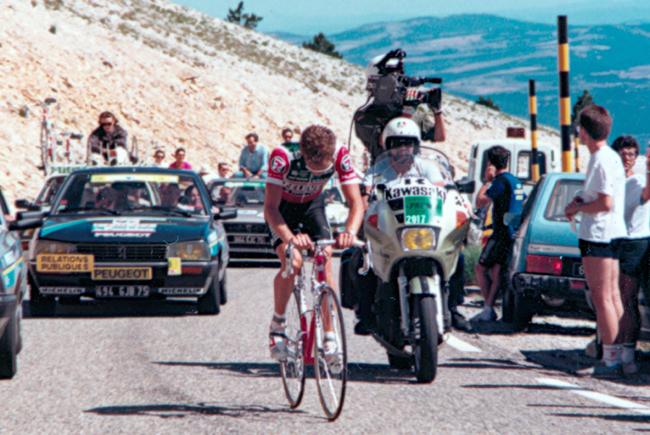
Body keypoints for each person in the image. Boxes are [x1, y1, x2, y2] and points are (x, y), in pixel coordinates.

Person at [264, 125, 364, 372]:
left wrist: (350, 232)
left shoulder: (341, 155)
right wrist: (289, 238)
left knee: (325, 256)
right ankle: (277, 325)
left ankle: (329, 337)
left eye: (323, 168)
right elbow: (270, 208)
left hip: (313, 206)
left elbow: (356, 203)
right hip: (282, 209)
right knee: (294, 261)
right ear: (303, 152)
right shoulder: (283, 156)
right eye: (311, 165)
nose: (317, 170)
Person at [565, 105, 626, 378]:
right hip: (614, 232)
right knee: (612, 296)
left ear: (584, 131)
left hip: (598, 234)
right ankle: (621, 354)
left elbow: (605, 202)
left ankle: (610, 360)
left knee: (602, 298)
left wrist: (579, 209)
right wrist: (583, 202)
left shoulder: (599, 159)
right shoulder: (611, 157)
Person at [354, 49, 446, 164]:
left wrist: (437, 111)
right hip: (383, 173)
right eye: (392, 79)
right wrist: (406, 114)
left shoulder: (411, 112)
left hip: (412, 172)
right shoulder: (364, 116)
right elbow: (383, 144)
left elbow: (439, 136)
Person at [610, 135, 650, 376]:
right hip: (616, 241)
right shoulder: (613, 182)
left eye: (631, 154)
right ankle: (611, 349)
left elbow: (647, 193)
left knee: (626, 300)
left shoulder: (635, 183)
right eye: (623, 153)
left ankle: (627, 355)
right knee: (614, 300)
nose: (627, 158)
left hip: (635, 243)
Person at [472, 146, 524, 322]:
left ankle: (488, 309)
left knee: (480, 268)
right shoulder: (515, 181)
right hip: (512, 232)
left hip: (500, 233)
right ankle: (489, 308)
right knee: (497, 271)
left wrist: (487, 181)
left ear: (490, 164)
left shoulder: (500, 181)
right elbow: (523, 200)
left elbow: (479, 202)